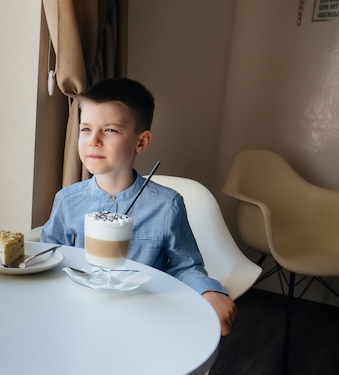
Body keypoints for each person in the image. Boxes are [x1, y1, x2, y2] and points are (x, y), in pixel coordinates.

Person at [41, 78, 237, 336]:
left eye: (110, 130)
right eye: (86, 129)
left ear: (141, 142)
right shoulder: (67, 200)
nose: (93, 140)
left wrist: (208, 290)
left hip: (143, 323)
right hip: (78, 320)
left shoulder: (167, 205)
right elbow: (49, 256)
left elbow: (185, 265)